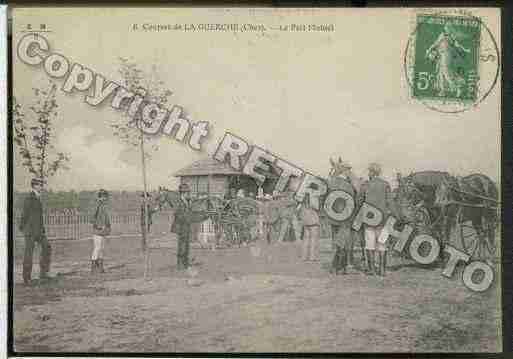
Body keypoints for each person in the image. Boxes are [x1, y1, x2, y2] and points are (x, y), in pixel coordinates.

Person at [360, 163, 392, 276]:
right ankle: (382, 270)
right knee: (382, 244)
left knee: (369, 244)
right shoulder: (386, 185)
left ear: (372, 172)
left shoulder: (365, 185)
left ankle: (371, 269)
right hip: (383, 220)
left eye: (369, 171)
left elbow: (359, 202)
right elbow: (390, 203)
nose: (368, 173)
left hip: (369, 220)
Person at [19, 178, 52, 285]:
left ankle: (43, 274)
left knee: (47, 247)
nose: (42, 187)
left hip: (39, 231)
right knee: (29, 253)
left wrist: (42, 229)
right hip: (30, 231)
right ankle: (27, 278)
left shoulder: (38, 197)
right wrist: (22, 227)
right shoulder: (29, 198)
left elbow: (39, 217)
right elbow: (24, 215)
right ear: (34, 186)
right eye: (40, 185)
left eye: (42, 184)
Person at [170, 183, 206, 270]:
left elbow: (189, 212)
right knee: (182, 246)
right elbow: (178, 215)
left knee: (186, 246)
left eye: (188, 192)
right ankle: (180, 264)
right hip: (181, 227)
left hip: (186, 226)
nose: (188, 194)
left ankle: (185, 263)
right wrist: (189, 218)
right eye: (187, 193)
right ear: (183, 193)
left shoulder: (186, 201)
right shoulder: (178, 202)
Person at [91, 189, 111, 274]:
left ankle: (101, 267)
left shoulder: (104, 206)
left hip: (103, 231)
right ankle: (94, 268)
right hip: (98, 231)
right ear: (100, 197)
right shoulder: (97, 205)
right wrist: (99, 226)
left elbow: (106, 219)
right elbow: (92, 219)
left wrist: (108, 227)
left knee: (102, 249)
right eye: (103, 197)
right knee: (97, 248)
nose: (105, 198)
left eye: (106, 197)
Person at [298, 194, 320, 261]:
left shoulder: (302, 203)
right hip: (314, 222)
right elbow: (318, 208)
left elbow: (298, 211)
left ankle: (304, 257)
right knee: (313, 240)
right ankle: (312, 257)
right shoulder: (314, 200)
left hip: (306, 222)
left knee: (305, 240)